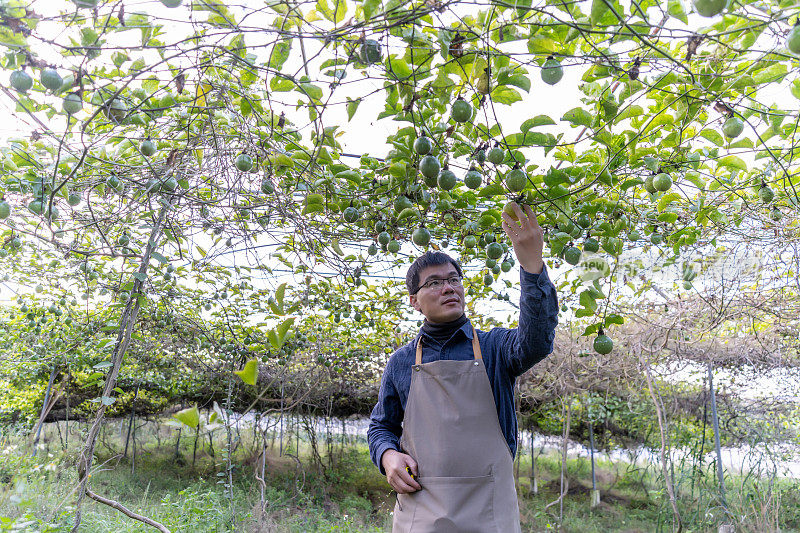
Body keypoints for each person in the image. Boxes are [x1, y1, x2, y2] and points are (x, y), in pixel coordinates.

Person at [367, 202, 559, 532]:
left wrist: (531, 264)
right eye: (434, 283)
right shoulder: (401, 362)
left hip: (489, 509)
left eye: (454, 279)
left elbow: (537, 341)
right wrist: (387, 456)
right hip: (420, 508)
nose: (448, 288)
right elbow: (381, 426)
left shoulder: (495, 348)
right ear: (414, 300)